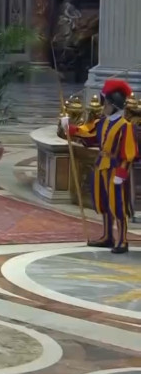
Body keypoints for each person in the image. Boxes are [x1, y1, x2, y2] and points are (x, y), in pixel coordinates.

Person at [64, 80, 137, 254]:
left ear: (114, 105)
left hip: (115, 168)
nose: (104, 107)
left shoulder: (125, 126)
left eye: (107, 104)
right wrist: (69, 127)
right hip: (100, 166)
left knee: (117, 205)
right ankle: (107, 236)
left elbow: (129, 153)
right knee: (104, 203)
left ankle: (122, 240)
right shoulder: (102, 122)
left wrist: (121, 173)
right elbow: (88, 134)